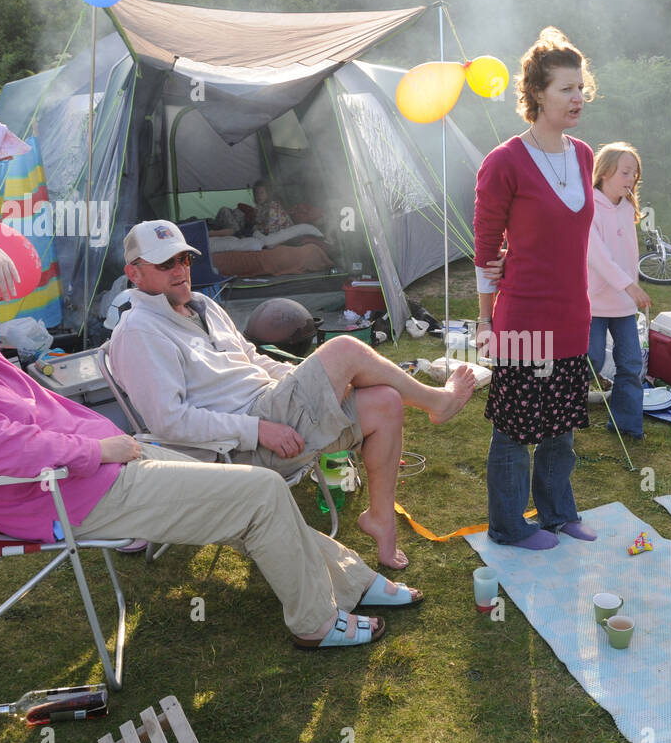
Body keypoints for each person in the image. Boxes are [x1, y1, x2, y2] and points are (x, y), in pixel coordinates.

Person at [0, 239, 422, 649]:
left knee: (243, 499)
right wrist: (98, 451)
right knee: (259, 494)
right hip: (73, 495)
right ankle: (314, 622)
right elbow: (10, 450)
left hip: (104, 466)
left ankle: (352, 580)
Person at [110, 220, 475, 571]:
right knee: (345, 349)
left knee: (385, 403)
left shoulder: (203, 307)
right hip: (239, 450)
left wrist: (309, 381)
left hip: (272, 406)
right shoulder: (140, 332)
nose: (180, 270)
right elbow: (169, 421)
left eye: (184, 259)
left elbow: (252, 360)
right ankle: (436, 402)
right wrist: (258, 430)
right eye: (165, 263)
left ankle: (380, 519)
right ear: (135, 273)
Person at [474, 27, 598, 550]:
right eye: (567, 88)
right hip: (522, 319)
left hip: (573, 316)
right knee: (514, 432)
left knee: (561, 432)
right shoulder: (505, 161)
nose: (578, 98)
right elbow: (485, 248)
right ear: (537, 94)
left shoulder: (586, 155)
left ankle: (557, 514)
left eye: (581, 87)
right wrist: (484, 319)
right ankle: (507, 526)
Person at [587, 142, 651, 439]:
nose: (630, 179)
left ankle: (626, 424)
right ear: (605, 172)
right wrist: (629, 285)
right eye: (625, 172)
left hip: (624, 303)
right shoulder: (588, 206)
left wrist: (631, 286)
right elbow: (597, 255)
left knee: (631, 363)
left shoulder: (627, 208)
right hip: (594, 301)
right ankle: (562, 410)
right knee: (592, 359)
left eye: (634, 175)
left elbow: (628, 254)